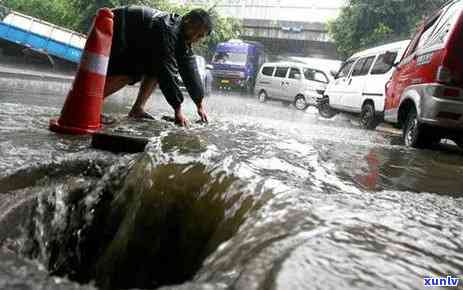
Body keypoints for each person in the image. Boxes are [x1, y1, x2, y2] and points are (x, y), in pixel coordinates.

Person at [103, 5, 212, 126]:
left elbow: (190, 70)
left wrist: (199, 105)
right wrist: (178, 110)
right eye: (195, 31)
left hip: (131, 33)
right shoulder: (169, 30)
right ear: (187, 20)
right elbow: (167, 71)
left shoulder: (183, 37)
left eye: (200, 36)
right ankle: (91, 105)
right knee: (130, 73)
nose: (195, 37)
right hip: (116, 23)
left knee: (154, 71)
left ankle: (137, 109)